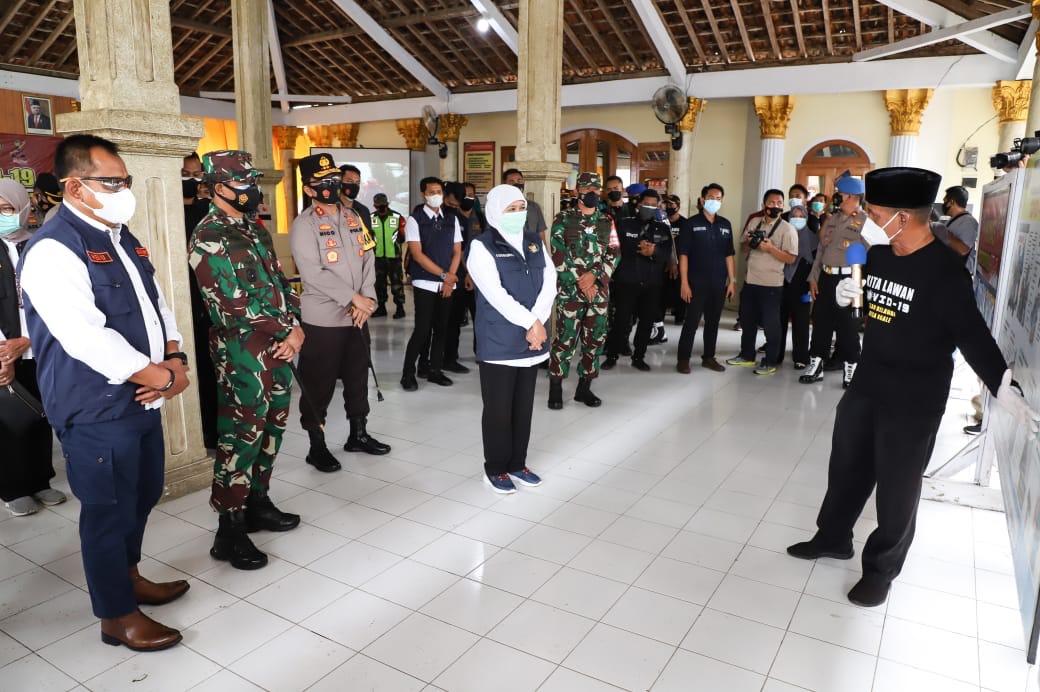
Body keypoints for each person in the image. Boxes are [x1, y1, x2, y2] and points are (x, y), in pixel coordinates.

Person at [786, 166, 1040, 607]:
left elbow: (972, 335)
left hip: (915, 396)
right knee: (846, 467)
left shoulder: (945, 273)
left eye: (873, 212)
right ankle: (832, 537)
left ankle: (881, 570)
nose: (867, 218)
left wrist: (1002, 385)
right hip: (868, 381)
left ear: (901, 217)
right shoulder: (880, 256)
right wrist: (849, 295)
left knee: (897, 488)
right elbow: (870, 305)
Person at [20, 133, 189, 651]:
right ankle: (117, 615)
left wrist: (176, 357)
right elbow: (84, 337)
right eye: (112, 182)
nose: (123, 191)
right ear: (75, 187)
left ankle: (129, 576)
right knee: (107, 510)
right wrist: (160, 377)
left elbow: (156, 303)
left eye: (125, 180)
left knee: (143, 493)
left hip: (142, 395)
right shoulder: (53, 248)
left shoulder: (120, 236)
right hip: (94, 406)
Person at [189, 150, 304, 572]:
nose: (253, 190)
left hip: (277, 344)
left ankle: (258, 501)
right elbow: (231, 301)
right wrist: (285, 329)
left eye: (253, 182)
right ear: (219, 187)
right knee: (242, 435)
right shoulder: (209, 235)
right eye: (244, 183)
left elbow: (280, 282)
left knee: (272, 426)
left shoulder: (254, 229)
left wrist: (295, 325)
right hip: (242, 351)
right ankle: (229, 527)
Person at [291, 153, 391, 473]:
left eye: (334, 179)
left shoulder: (353, 217)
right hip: (323, 320)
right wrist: (353, 298)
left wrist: (368, 299)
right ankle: (316, 446)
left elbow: (368, 259)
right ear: (309, 189)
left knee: (357, 376)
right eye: (323, 182)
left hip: (357, 316)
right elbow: (313, 273)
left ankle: (358, 434)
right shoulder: (304, 225)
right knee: (318, 383)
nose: (332, 186)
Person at [468, 184, 555, 493]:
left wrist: (538, 322)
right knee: (498, 409)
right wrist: (532, 322)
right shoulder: (482, 246)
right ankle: (495, 468)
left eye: (521, 209)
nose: (518, 214)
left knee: (523, 407)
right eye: (511, 209)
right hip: (500, 341)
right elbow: (495, 294)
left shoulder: (533, 241)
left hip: (532, 339)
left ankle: (518, 463)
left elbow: (550, 281)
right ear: (495, 212)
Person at [0, 178, 66, 516]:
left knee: (41, 415)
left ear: (23, 208)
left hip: (40, 346)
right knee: (9, 420)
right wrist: (5, 351)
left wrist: (30, 340)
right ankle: (14, 488)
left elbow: (53, 297)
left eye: (8, 208)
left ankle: (41, 480)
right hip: (4, 351)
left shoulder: (37, 244)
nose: (3, 215)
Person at [547, 172, 618, 409]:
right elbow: (557, 252)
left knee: (595, 340)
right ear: (578, 191)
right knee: (564, 339)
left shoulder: (607, 220)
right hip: (570, 291)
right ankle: (555, 388)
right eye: (588, 190)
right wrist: (581, 281)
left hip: (598, 291)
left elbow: (614, 252)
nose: (593, 194)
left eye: (596, 190)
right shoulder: (563, 218)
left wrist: (595, 279)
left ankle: (584, 388)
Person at [801, 176, 868, 387]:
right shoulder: (832, 219)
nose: (838, 198)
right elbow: (821, 250)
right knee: (821, 322)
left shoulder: (866, 221)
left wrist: (863, 283)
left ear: (853, 197)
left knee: (848, 326)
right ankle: (816, 365)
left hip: (851, 280)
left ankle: (851, 368)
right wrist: (813, 278)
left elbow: (874, 253)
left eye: (841, 195)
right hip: (827, 277)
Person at [401, 176, 463, 391]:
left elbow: (457, 251)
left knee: (441, 328)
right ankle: (408, 373)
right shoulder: (415, 219)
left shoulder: (451, 219)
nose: (436, 195)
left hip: (447, 283)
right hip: (425, 282)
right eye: (431, 192)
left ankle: (435, 370)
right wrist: (445, 275)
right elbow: (417, 255)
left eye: (439, 192)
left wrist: (450, 278)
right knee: (422, 329)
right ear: (423, 194)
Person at [726, 189, 797, 376]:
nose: (775, 206)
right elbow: (742, 248)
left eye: (779, 203)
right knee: (747, 321)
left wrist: (770, 248)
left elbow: (791, 258)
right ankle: (747, 355)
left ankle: (770, 360)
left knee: (771, 325)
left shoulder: (787, 229)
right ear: (763, 205)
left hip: (772, 284)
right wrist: (750, 243)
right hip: (750, 281)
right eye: (771, 202)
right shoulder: (754, 222)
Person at [603, 189, 673, 372]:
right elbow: (614, 248)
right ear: (639, 204)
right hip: (627, 281)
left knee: (646, 322)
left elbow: (667, 253)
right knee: (620, 321)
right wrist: (637, 247)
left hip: (652, 283)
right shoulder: (625, 224)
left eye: (653, 205)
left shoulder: (663, 229)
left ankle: (639, 357)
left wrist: (654, 251)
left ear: (658, 206)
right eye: (646, 204)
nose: (649, 207)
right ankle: (612, 355)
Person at [675, 183, 736, 373]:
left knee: (713, 322)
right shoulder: (691, 224)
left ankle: (709, 357)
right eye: (710, 198)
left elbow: (729, 254)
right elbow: (683, 255)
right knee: (691, 322)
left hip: (718, 283)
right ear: (702, 200)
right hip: (696, 282)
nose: (714, 201)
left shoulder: (725, 224)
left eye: (718, 198)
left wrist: (732, 281)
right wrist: (684, 283)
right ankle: (683, 359)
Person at [182, 151, 218, 449]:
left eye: (197, 175)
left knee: (212, 368)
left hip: (211, 303)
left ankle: (215, 428)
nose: (193, 181)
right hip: (185, 302)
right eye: (186, 175)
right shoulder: (169, 211)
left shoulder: (208, 211)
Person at [441, 181, 477, 373]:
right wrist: (465, 272)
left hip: (469, 275)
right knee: (450, 320)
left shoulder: (474, 217)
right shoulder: (448, 216)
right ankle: (446, 359)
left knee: (466, 317)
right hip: (452, 274)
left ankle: (451, 358)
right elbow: (458, 251)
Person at [778, 204, 817, 368]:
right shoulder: (782, 235)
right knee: (778, 322)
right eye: (794, 216)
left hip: (802, 286)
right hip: (781, 284)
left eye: (801, 217)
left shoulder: (813, 240)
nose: (798, 219)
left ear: (807, 219)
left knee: (801, 323)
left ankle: (801, 357)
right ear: (788, 218)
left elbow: (816, 265)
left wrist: (811, 285)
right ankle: (775, 355)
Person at [369, 192, 406, 318]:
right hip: (377, 257)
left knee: (397, 283)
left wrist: (396, 245)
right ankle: (381, 308)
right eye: (378, 204)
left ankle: (400, 308)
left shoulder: (397, 217)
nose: (381, 206)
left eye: (383, 204)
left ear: (387, 203)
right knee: (379, 284)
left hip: (394, 257)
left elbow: (403, 236)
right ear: (374, 205)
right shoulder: (371, 218)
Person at [934, 185, 979, 275]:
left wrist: (942, 231)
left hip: (958, 274)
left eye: (945, 201)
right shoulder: (953, 219)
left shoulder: (968, 221)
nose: (943, 204)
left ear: (951, 202)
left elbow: (963, 250)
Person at [503, 168, 547, 239]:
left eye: (519, 180)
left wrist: (543, 246)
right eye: (511, 181)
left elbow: (541, 234)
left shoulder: (534, 207)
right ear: (505, 185)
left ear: (523, 182)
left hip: (532, 245)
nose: (516, 184)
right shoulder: (500, 207)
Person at [338, 164, 372, 233]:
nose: (354, 185)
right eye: (349, 181)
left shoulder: (363, 210)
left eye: (357, 182)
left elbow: (368, 236)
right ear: (339, 183)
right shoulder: (330, 209)